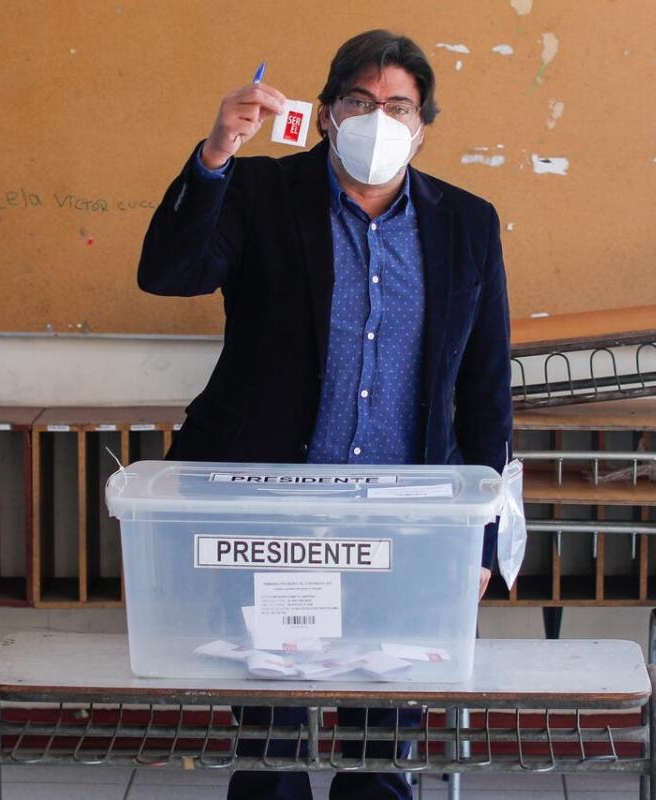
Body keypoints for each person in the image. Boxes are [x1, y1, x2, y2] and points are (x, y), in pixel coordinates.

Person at [138, 29, 512, 800]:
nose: (379, 119)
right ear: (324, 115)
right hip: (272, 513)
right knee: (271, 739)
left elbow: (483, 391)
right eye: (360, 101)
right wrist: (215, 154)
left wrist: (479, 536)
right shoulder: (258, 192)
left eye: (398, 107)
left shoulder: (466, 223)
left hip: (405, 523)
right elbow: (168, 273)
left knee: (382, 743)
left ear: (422, 126)